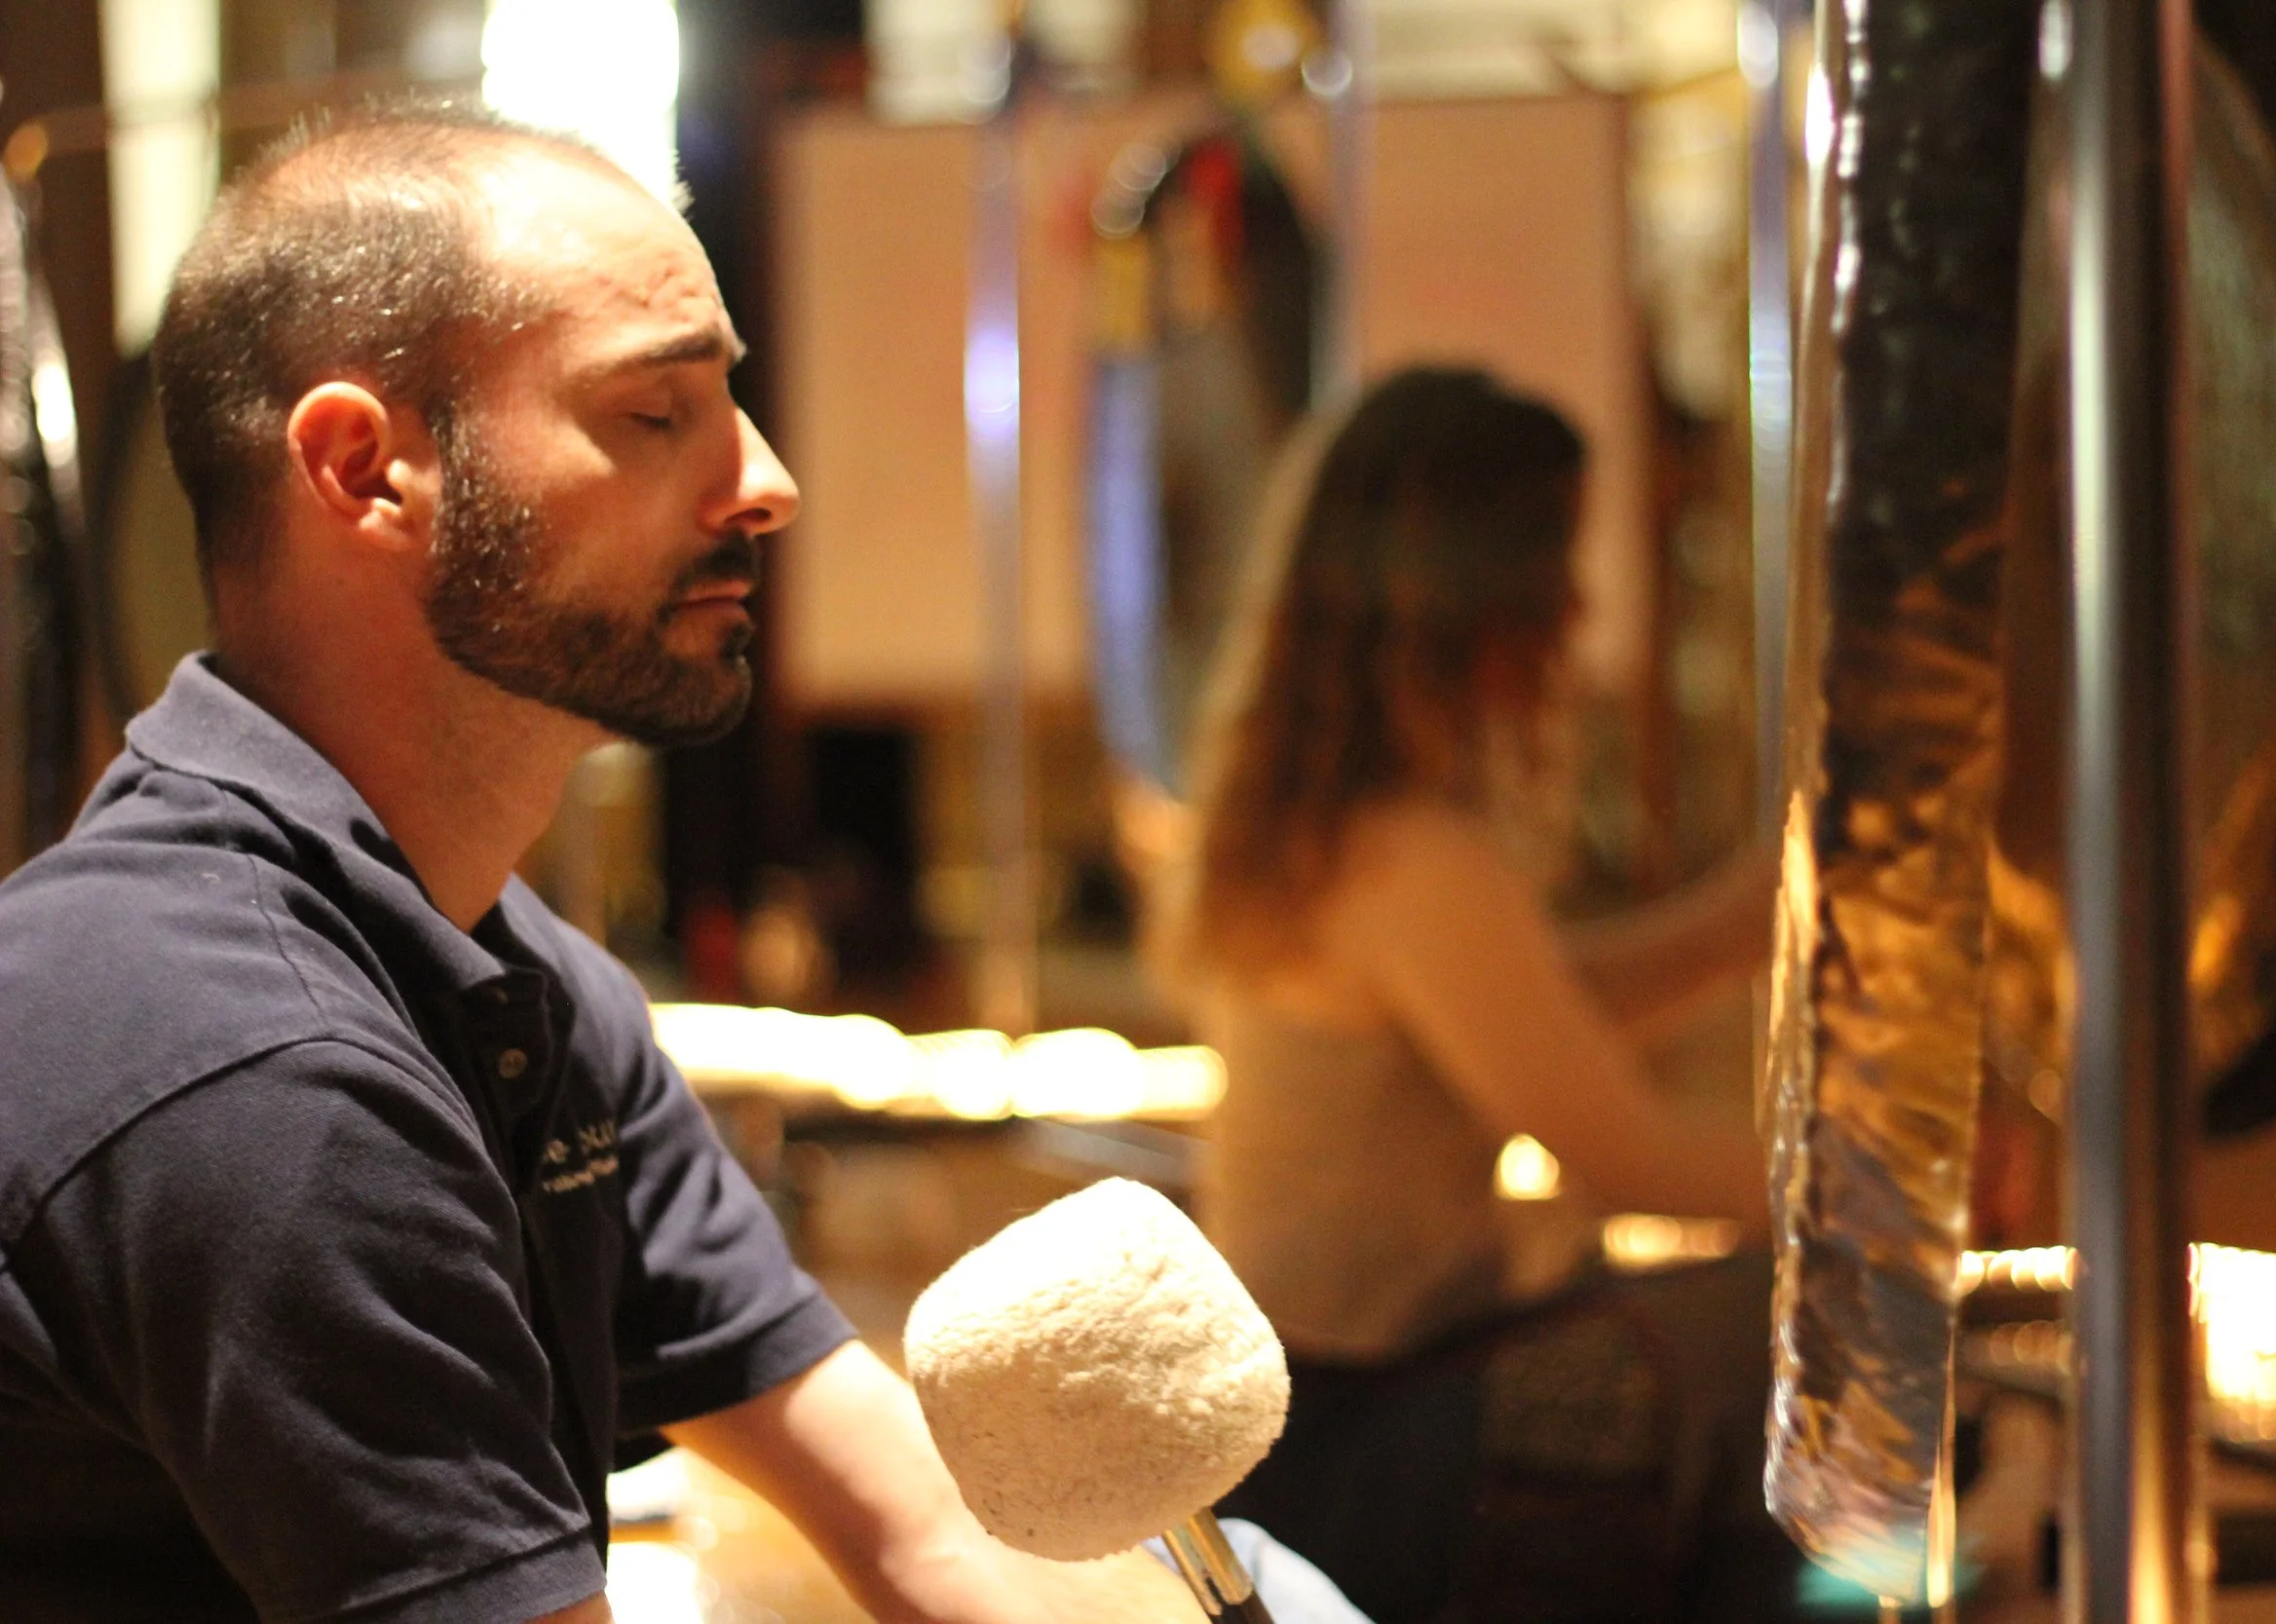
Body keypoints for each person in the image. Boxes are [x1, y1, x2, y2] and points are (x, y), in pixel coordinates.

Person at [0, 104, 1321, 1624]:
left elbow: (916, 1520)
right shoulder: (257, 1071)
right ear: (369, 471)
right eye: (653, 412)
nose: (765, 480)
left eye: (731, 404)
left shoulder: (510, 966)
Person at [1159, 368, 1801, 1621]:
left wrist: (1741, 926)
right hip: (1352, 1441)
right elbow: (1623, 1151)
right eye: (1554, 558)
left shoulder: (1339, 835)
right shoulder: (1410, 861)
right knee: (1744, 1336)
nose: (1577, 605)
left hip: (1289, 1426)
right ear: (1468, 589)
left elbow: (1527, 1015)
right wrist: (1901, 1218)